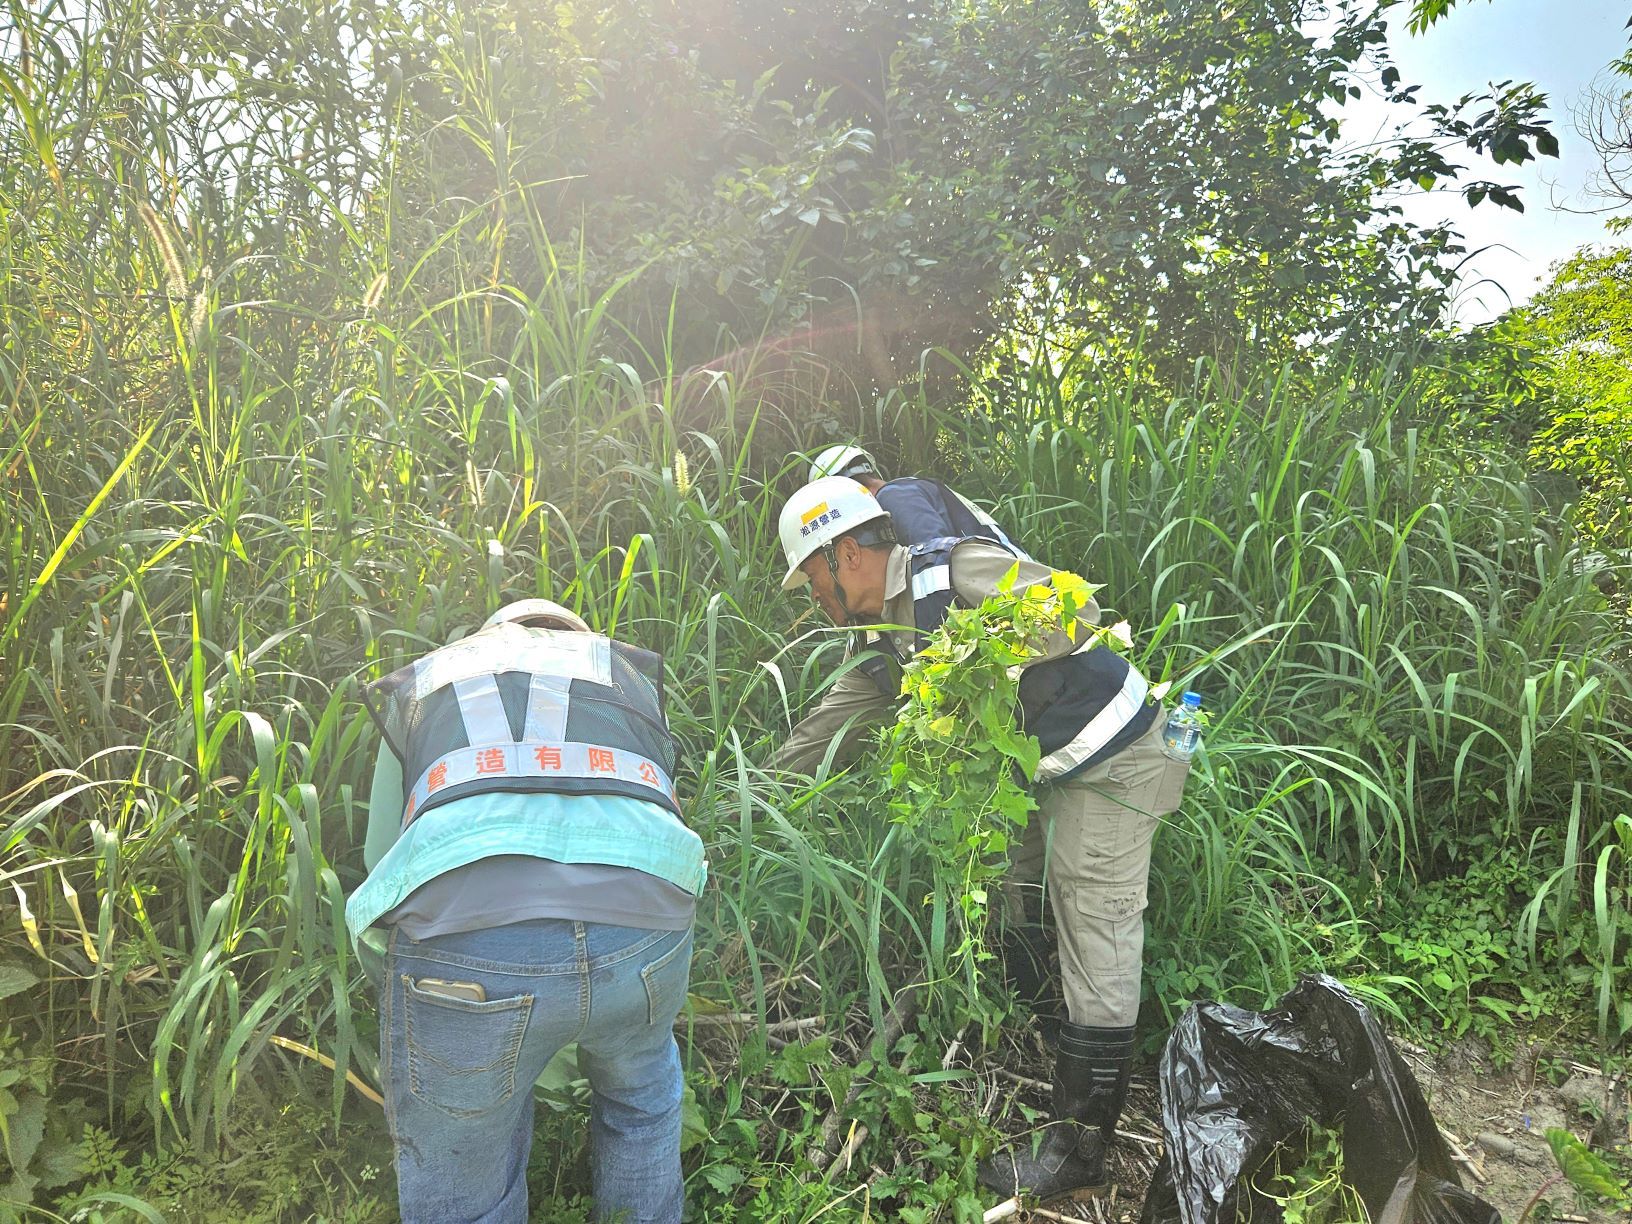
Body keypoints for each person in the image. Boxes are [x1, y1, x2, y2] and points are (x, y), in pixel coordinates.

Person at [771, 478, 1189, 1204]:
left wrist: (977, 649)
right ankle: (1051, 1030)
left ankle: (1081, 1148)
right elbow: (825, 727)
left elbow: (1075, 610)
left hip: (1118, 758)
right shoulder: (885, 641)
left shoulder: (952, 570)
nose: (814, 598)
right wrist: (760, 792)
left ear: (846, 555)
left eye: (812, 579)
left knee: (1093, 916)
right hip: (1051, 769)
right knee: (1013, 882)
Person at [346, 599, 706, 1224]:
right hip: (649, 923)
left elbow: (387, 862)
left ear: (491, 642)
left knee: (466, 1172)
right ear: (579, 643)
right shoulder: (626, 681)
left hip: (469, 938)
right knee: (641, 1096)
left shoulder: (433, 685)